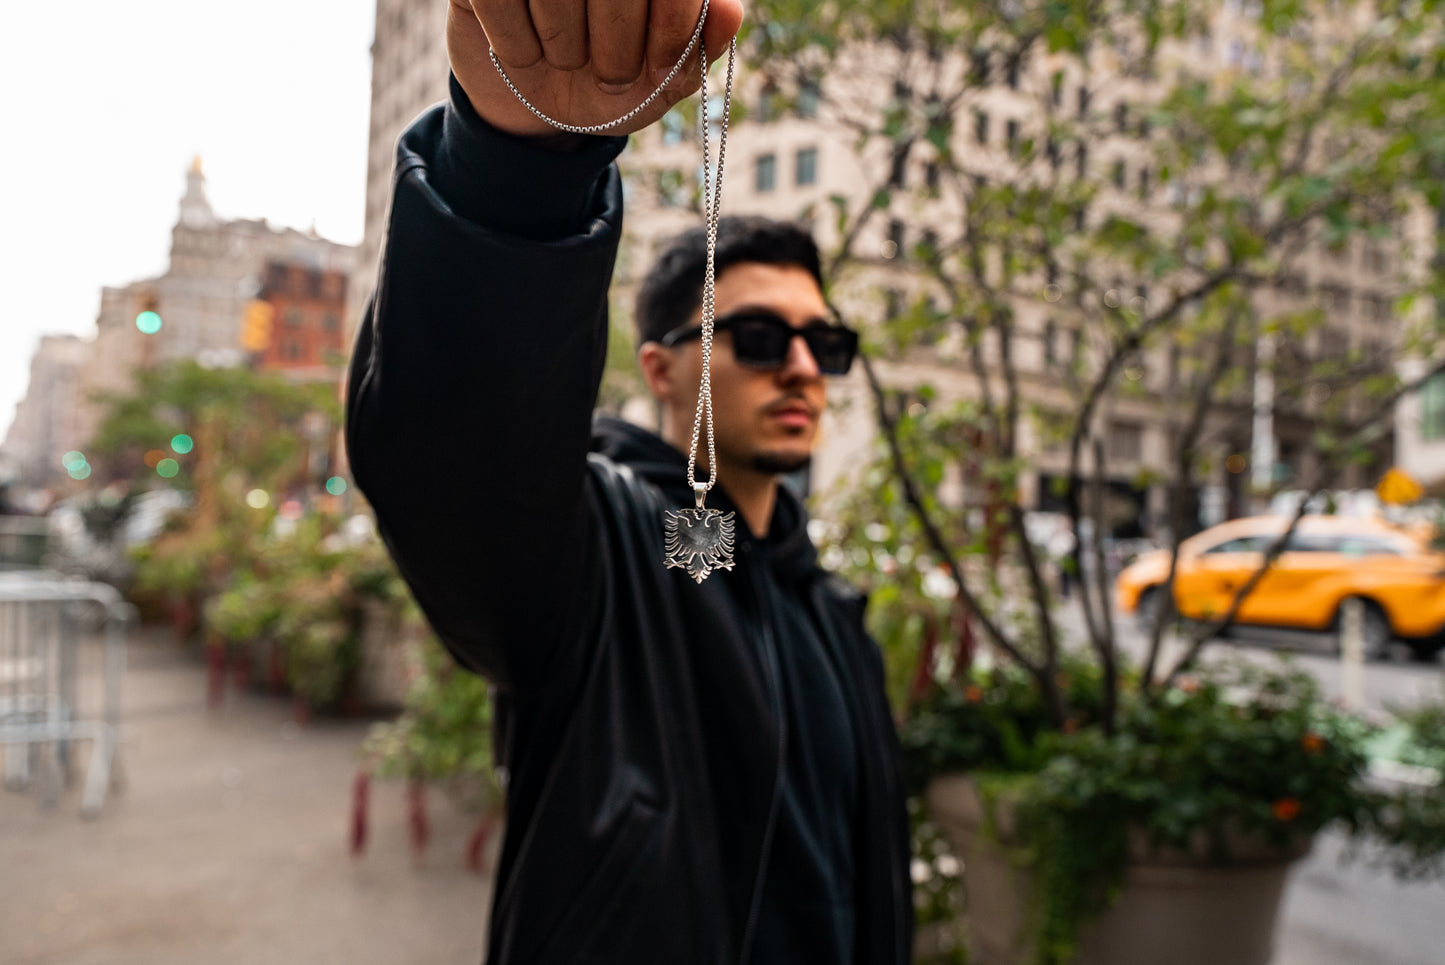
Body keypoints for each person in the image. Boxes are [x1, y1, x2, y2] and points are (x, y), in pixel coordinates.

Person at [345, 2, 913, 963]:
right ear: (660, 367)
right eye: (763, 338)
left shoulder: (833, 609)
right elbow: (463, 473)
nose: (804, 369)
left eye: (827, 343)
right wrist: (517, 172)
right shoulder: (604, 543)